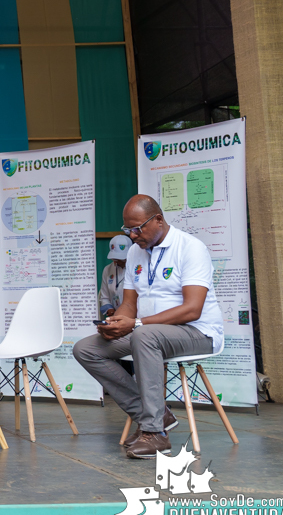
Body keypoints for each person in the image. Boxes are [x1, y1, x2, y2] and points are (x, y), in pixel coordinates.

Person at [72, 195, 224, 459]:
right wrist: (117, 322)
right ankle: (155, 415)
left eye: (137, 228)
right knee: (86, 349)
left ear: (159, 220)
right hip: (150, 333)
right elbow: (129, 303)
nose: (132, 236)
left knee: (144, 335)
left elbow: (192, 309)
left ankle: (155, 435)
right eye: (127, 229)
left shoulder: (190, 248)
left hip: (198, 332)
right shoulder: (134, 252)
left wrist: (137, 324)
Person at [98, 234, 131, 318]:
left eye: (120, 259)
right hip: (115, 317)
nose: (116, 261)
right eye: (114, 258)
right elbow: (104, 297)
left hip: (133, 317)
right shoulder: (108, 269)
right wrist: (109, 309)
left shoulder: (137, 269)